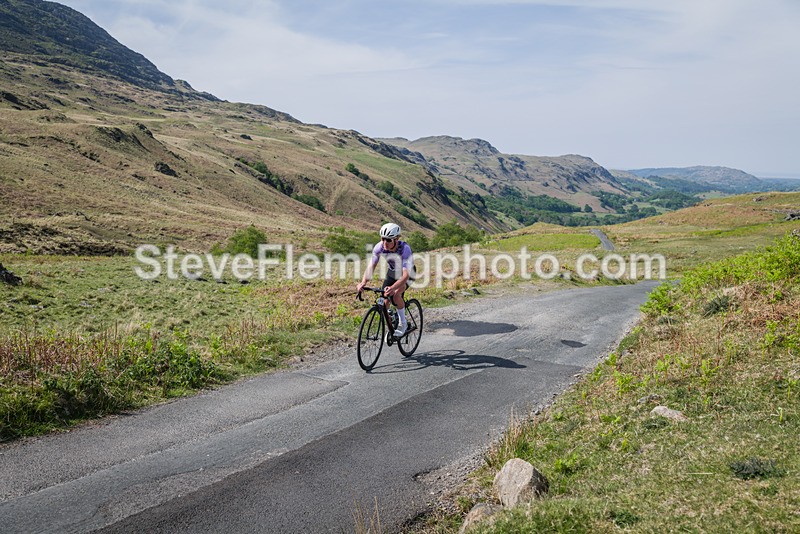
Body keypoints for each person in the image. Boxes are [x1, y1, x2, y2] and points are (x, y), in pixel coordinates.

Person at [356, 222, 414, 338]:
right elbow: (371, 266)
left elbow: (405, 275)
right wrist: (363, 282)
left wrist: (393, 288)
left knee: (396, 295)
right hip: (392, 272)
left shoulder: (405, 249)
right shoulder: (379, 247)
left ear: (396, 239)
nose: (385, 243)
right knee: (384, 301)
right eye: (383, 239)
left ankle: (403, 324)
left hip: (407, 274)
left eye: (388, 240)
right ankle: (391, 322)